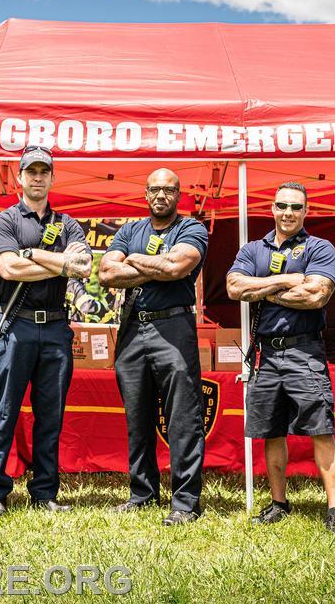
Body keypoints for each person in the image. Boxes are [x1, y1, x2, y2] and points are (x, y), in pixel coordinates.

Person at [0, 146, 92, 520]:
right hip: (16, 325)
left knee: (51, 415)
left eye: (45, 171)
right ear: (19, 178)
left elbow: (83, 268)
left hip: (56, 327)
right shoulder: (4, 220)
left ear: (53, 178)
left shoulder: (69, 223)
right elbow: (8, 269)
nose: (38, 177)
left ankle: (44, 492)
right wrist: (57, 263)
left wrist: (32, 254)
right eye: (31, 171)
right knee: (5, 410)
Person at [226, 182, 335, 531]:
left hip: (304, 350)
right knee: (271, 431)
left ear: (306, 211)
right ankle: (279, 502)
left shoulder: (319, 247)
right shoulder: (252, 249)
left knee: (321, 429)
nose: (288, 213)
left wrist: (264, 290)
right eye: (281, 206)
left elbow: (317, 296)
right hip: (266, 355)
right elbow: (235, 287)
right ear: (272, 208)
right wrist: (290, 279)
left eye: (295, 207)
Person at [98, 168, 208, 526]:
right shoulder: (130, 230)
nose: (161, 195)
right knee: (137, 415)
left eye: (169, 190)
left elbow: (178, 266)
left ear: (179, 195)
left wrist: (133, 260)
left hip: (173, 324)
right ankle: (142, 493)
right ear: (146, 194)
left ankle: (185, 501)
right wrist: (155, 267)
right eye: (155, 189)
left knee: (183, 416)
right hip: (132, 327)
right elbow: (106, 274)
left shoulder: (191, 228)